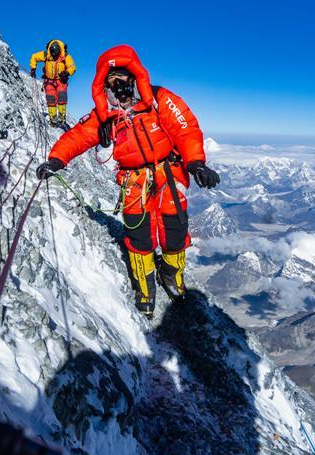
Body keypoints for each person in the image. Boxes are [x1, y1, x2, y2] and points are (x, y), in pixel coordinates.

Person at [35, 44, 220, 318]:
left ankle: (172, 277)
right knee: (139, 236)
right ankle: (145, 288)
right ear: (104, 85)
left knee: (175, 230)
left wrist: (195, 162)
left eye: (122, 77)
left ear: (135, 77)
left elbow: (185, 128)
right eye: (111, 80)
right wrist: (56, 159)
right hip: (134, 181)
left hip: (169, 174)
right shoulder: (104, 115)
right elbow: (78, 137)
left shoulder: (159, 99)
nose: (118, 84)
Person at [30, 39, 77, 127]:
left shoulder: (66, 56)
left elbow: (72, 67)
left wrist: (67, 73)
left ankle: (62, 117)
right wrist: (33, 68)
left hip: (61, 80)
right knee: (50, 98)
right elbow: (34, 57)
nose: (54, 56)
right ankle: (53, 118)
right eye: (53, 55)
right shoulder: (45, 55)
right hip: (49, 81)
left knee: (62, 97)